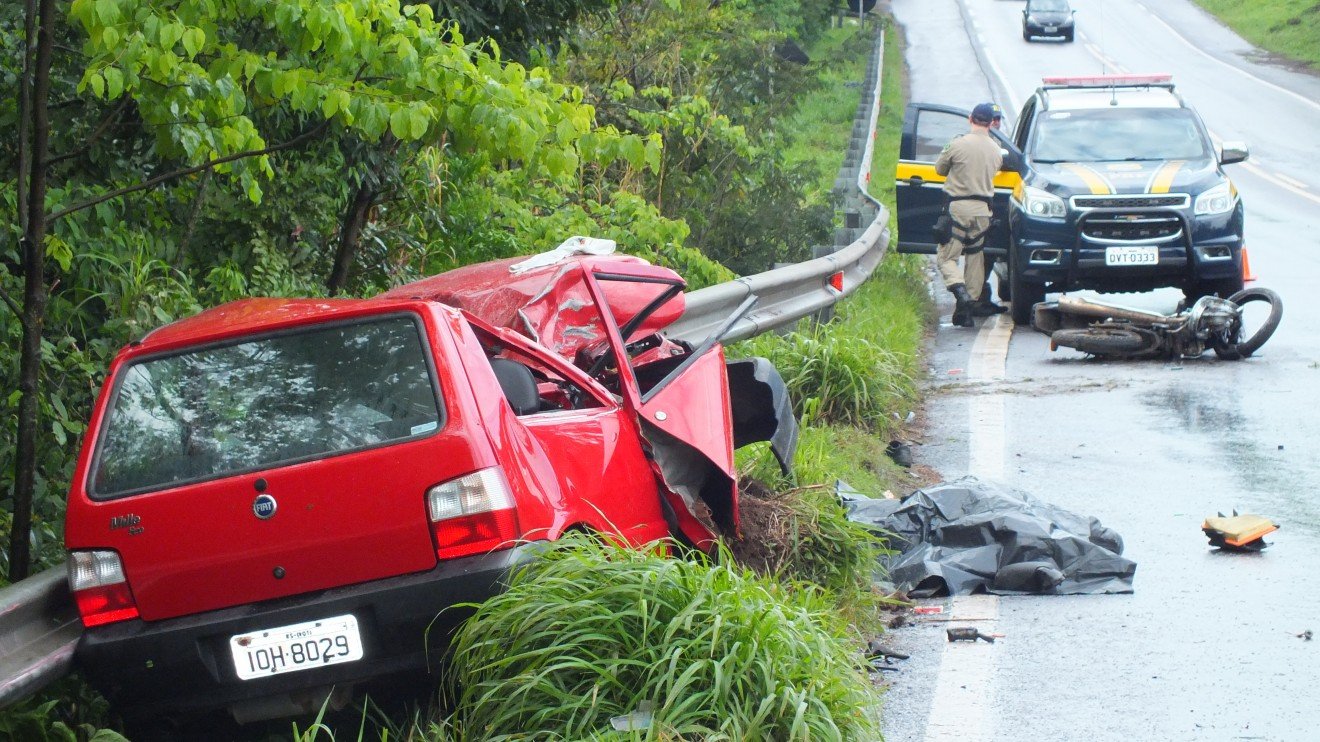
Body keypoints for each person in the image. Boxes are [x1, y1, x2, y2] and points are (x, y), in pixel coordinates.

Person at [935, 102, 1007, 327]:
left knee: (947, 256)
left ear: (970, 119)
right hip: (983, 212)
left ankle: (959, 291)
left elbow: (939, 169)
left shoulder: (957, 144)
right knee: (975, 258)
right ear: (991, 123)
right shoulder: (996, 149)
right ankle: (965, 312)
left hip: (958, 209)